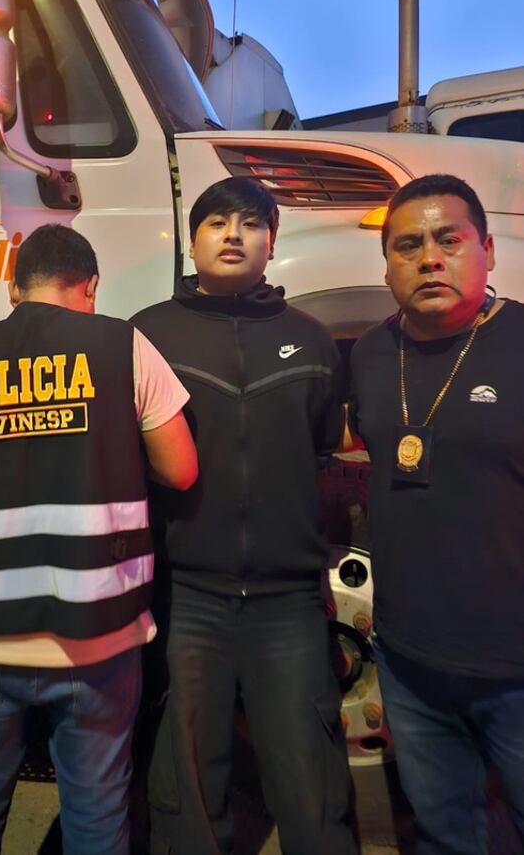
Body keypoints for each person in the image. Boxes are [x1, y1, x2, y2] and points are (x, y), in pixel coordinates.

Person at [0, 224, 197, 855]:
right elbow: (181, 469)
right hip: (96, 635)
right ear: (90, 286)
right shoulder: (121, 345)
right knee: (95, 808)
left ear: (13, 288)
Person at [132, 177, 356, 855]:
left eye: (251, 223)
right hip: (188, 596)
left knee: (313, 791)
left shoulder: (312, 341)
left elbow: (324, 453)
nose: (233, 234)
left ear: (272, 242)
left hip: (287, 602)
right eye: (217, 222)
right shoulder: (146, 336)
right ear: (191, 241)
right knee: (188, 793)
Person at [349, 174, 524, 854]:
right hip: (409, 658)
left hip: (515, 662)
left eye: (448, 240)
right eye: (408, 245)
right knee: (444, 834)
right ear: (386, 265)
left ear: (487, 250)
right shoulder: (370, 353)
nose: (429, 258)